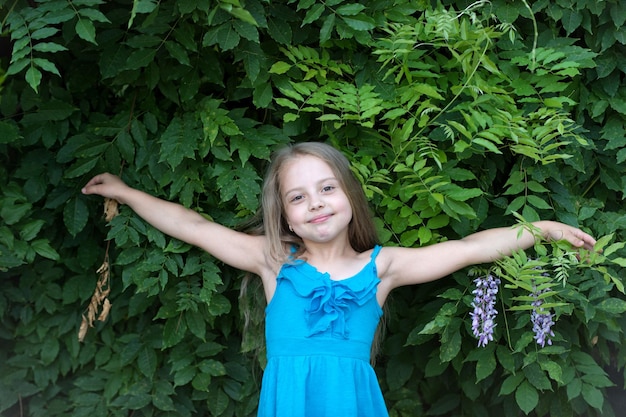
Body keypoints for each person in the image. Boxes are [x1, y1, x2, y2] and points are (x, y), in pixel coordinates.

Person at [82, 141, 596, 417]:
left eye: (327, 188)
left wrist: (541, 229)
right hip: (288, 404)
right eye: (298, 197)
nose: (316, 203)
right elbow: (192, 226)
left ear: (349, 195)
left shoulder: (383, 267)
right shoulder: (273, 261)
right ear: (283, 215)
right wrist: (126, 192)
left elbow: (466, 249)